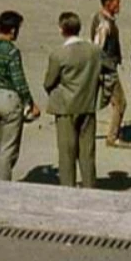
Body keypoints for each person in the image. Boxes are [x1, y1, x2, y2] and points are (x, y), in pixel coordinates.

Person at [45, 11, 103, 188]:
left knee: (67, 153)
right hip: (87, 105)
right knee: (87, 153)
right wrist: (101, 97)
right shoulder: (94, 51)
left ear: (62, 29)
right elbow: (110, 75)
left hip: (65, 108)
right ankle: (90, 187)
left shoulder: (59, 54)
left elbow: (48, 82)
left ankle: (68, 189)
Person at [0, 10, 39, 180]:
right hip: (9, 99)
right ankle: (2, 185)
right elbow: (19, 80)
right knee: (8, 150)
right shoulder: (12, 52)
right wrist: (30, 102)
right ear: (13, 31)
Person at [92, 0, 130, 149]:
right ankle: (112, 137)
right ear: (108, 3)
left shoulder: (106, 19)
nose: (119, 5)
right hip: (106, 70)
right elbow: (97, 49)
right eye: (117, 1)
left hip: (106, 68)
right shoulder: (104, 23)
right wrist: (106, 68)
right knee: (120, 102)